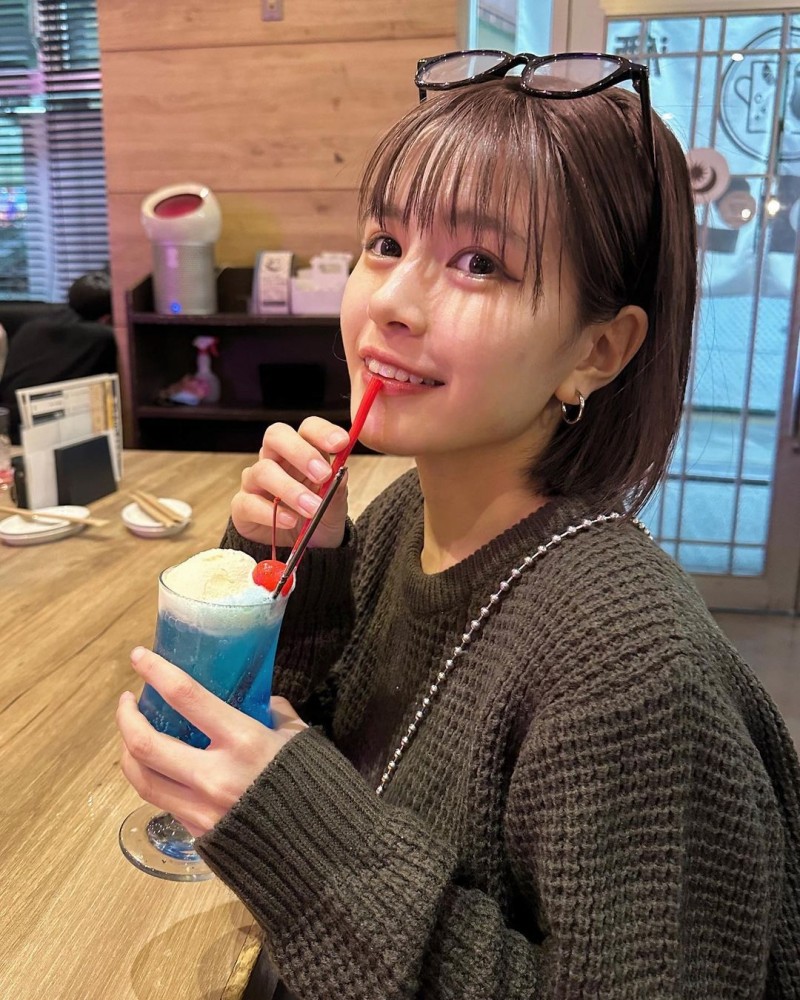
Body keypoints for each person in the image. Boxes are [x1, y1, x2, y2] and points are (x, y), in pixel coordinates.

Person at [116, 52, 800, 999]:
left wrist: (308, 847)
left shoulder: (627, 670)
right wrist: (298, 567)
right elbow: (319, 737)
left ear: (598, 351)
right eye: (385, 242)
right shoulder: (407, 513)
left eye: (479, 263)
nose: (391, 302)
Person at [0, 269, 116, 442]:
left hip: (7, 422)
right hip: (47, 429)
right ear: (107, 318)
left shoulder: (32, 326)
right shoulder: (101, 338)